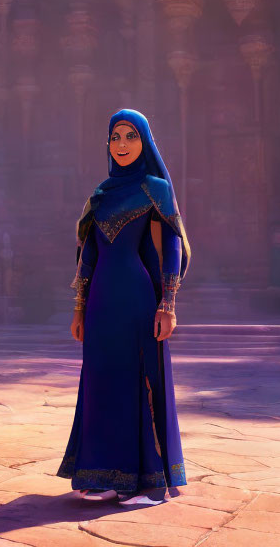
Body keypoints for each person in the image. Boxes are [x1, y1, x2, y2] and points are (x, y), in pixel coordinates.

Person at [56, 109, 191, 504]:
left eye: (131, 136)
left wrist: (168, 303)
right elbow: (89, 256)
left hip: (137, 297)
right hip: (99, 302)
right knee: (100, 382)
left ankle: (143, 478)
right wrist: (79, 309)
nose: (122, 145)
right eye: (115, 136)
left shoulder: (155, 188)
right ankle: (100, 474)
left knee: (139, 380)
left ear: (144, 141)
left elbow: (170, 246)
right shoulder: (99, 195)